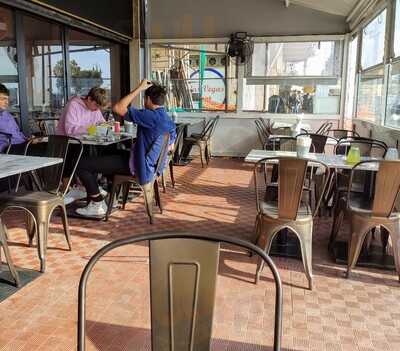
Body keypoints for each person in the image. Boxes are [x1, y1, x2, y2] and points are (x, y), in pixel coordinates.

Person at [74, 80, 176, 217]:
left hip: (139, 166)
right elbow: (171, 145)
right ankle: (112, 197)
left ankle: (97, 203)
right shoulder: (167, 119)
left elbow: (118, 108)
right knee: (108, 151)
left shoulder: (149, 115)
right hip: (150, 166)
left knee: (81, 164)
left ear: (148, 99)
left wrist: (139, 88)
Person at [0, 83, 27, 153]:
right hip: (8, 149)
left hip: (22, 145)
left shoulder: (8, 115)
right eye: (3, 99)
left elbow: (18, 132)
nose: (7, 102)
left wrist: (28, 140)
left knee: (49, 144)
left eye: (7, 99)